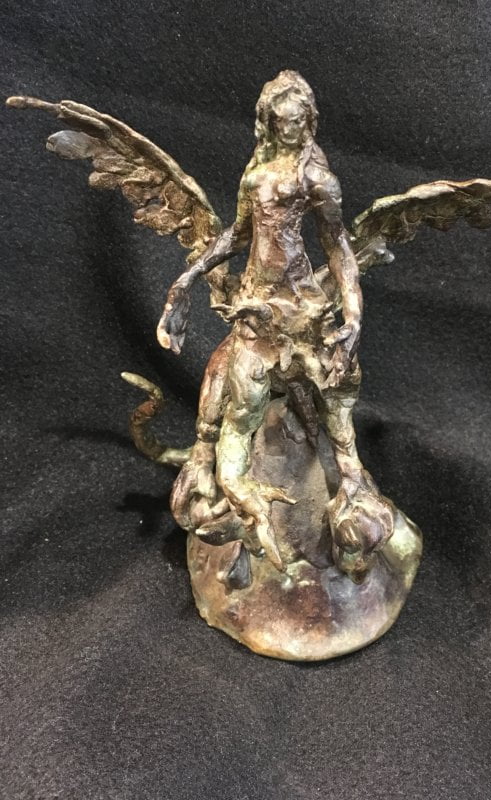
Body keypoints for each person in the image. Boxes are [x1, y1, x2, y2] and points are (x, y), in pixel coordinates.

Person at [156, 70, 393, 574]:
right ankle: (238, 499)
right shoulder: (256, 175)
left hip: (300, 304)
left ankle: (349, 484)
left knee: (336, 397)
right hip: (256, 304)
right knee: (240, 409)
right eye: (282, 121)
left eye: (298, 120)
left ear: (309, 121)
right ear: (268, 122)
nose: (290, 128)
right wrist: (185, 281)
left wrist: (353, 314)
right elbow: (238, 234)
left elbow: (339, 248)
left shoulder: (318, 180)